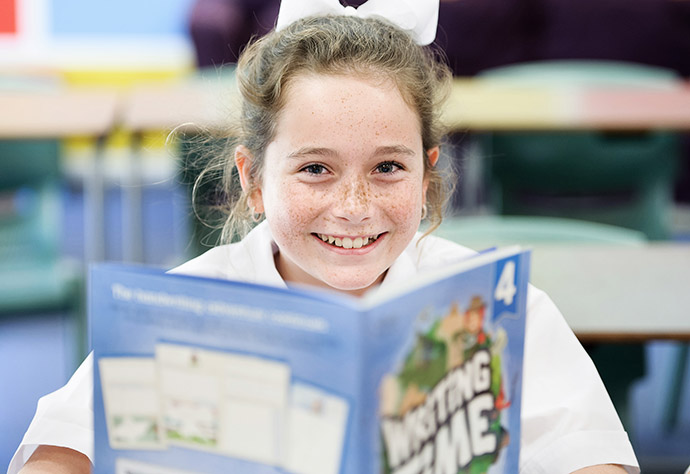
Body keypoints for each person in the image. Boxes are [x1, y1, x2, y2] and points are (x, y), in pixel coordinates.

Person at [10, 1, 640, 473]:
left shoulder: (501, 307)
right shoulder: (188, 305)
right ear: (252, 181)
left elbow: (594, 455)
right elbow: (57, 452)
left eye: (388, 168)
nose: (354, 207)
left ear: (427, 174)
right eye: (316, 169)